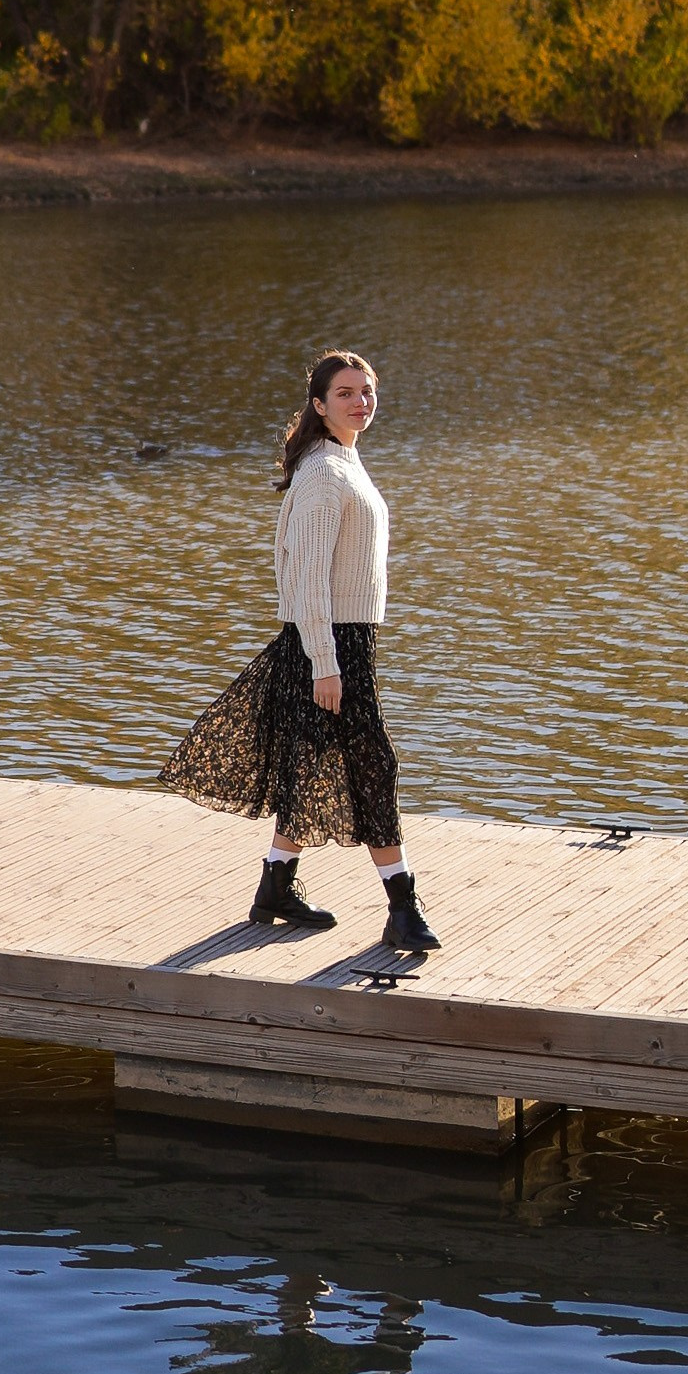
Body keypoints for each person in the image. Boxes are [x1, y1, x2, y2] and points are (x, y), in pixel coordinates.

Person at [158, 347, 437, 954]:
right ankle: (403, 909)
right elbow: (306, 579)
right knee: (374, 768)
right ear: (319, 404)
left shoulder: (343, 461)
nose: (360, 402)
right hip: (328, 647)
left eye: (366, 391)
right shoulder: (323, 474)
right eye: (345, 393)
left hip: (346, 641)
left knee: (312, 769)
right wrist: (326, 664)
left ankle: (274, 890)